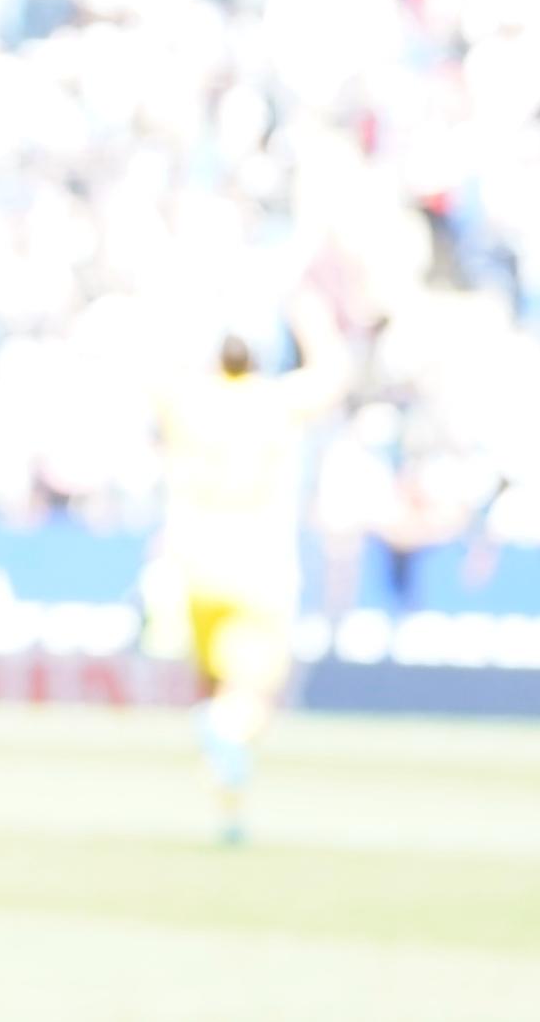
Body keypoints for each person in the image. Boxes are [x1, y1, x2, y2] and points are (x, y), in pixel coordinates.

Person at [149, 315, 348, 845]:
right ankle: (223, 741)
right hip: (259, 566)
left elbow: (154, 364)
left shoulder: (189, 400)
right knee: (254, 695)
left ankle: (228, 807)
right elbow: (334, 374)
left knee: (215, 684)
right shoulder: (276, 401)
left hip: (192, 563)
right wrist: (313, 314)